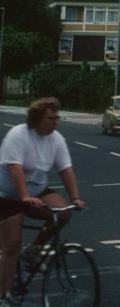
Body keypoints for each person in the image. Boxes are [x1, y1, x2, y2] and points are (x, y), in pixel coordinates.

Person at [0, 98, 86, 302]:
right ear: (37, 118)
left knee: (63, 212)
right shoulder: (19, 135)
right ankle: (4, 295)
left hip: (36, 190)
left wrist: (75, 197)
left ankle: (34, 249)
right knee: (11, 245)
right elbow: (15, 168)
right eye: (50, 118)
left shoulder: (56, 139)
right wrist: (24, 197)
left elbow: (65, 169)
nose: (55, 122)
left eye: (57, 118)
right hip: (8, 195)